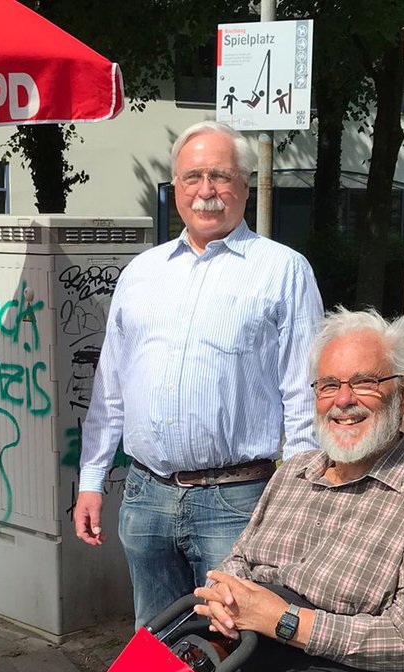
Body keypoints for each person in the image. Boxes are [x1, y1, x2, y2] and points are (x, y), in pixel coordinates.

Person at [126, 308, 404, 672]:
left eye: (364, 383)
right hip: (245, 652)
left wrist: (285, 621)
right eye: (329, 385)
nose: (344, 401)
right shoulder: (293, 472)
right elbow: (237, 564)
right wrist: (223, 595)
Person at [74, 120, 323, 626]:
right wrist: (91, 479)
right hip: (146, 497)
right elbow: (111, 389)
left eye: (220, 176)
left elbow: (304, 394)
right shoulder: (141, 273)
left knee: (236, 645)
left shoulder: (283, 270)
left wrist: (297, 501)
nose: (206, 191)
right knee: (155, 648)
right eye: (192, 177)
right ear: (175, 185)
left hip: (237, 502)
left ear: (245, 187)